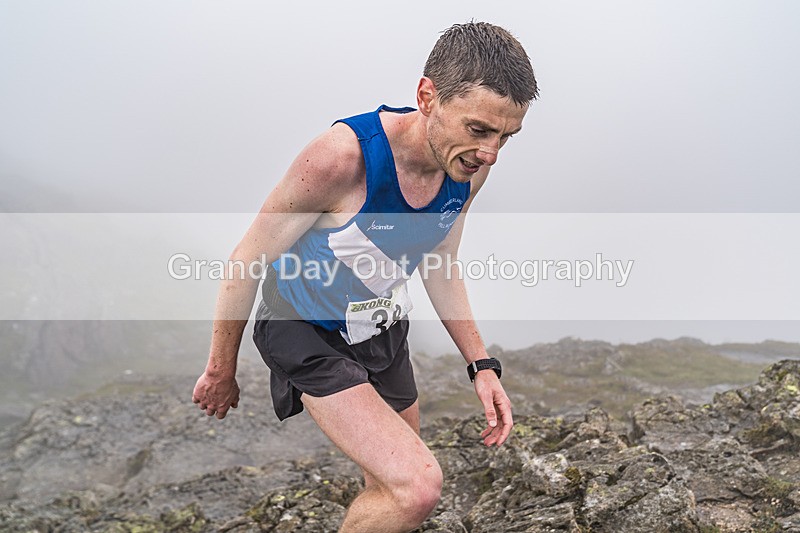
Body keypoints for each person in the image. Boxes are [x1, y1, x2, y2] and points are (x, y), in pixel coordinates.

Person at [192, 21, 538, 532]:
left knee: (390, 488)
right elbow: (247, 260)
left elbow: (440, 260)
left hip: (381, 328)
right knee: (417, 485)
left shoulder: (468, 166)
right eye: (478, 129)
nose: (490, 153)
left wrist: (481, 365)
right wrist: (222, 369)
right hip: (303, 328)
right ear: (427, 96)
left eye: (506, 137)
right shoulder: (341, 158)